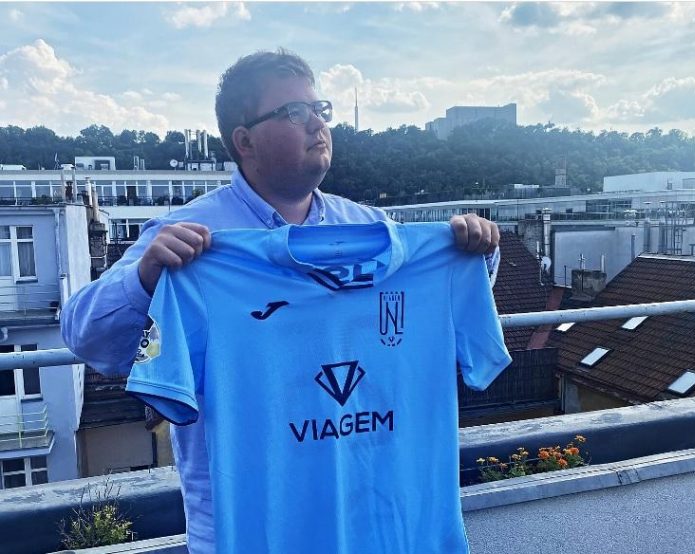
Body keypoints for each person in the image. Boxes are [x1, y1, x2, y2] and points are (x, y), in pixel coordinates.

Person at [61, 48, 501, 554]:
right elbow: (85, 336)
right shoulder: (191, 242)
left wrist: (473, 256)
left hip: (377, 523)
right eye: (294, 112)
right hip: (254, 530)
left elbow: (436, 315)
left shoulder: (375, 230)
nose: (317, 123)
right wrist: (145, 278)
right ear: (244, 140)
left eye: (321, 109)